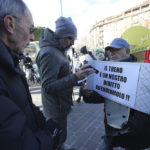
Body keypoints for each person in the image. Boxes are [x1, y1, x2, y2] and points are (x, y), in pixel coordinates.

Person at [0, 0, 61, 150]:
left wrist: (44, 124)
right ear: (10, 24)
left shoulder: (11, 61)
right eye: (31, 29)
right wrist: (49, 137)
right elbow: (16, 143)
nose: (33, 37)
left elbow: (25, 104)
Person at [36, 17, 95, 150]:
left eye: (74, 39)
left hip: (60, 104)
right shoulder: (50, 53)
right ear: (60, 36)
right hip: (56, 108)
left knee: (60, 136)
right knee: (57, 138)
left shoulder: (57, 50)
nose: (72, 43)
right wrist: (75, 77)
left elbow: (61, 76)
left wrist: (78, 80)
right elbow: (48, 86)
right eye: (70, 38)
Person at [82, 38, 150, 150]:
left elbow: (145, 106)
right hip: (110, 130)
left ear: (127, 51)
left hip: (132, 134)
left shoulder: (142, 72)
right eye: (109, 50)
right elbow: (102, 96)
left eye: (116, 49)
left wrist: (130, 127)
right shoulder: (106, 70)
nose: (111, 53)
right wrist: (87, 94)